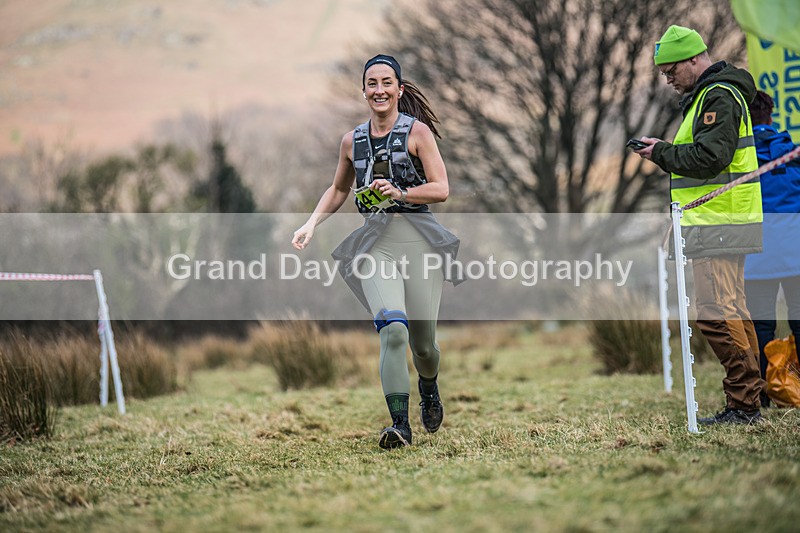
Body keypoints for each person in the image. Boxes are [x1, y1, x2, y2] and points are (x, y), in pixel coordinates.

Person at [292, 54, 460, 449]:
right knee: (394, 330)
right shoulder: (351, 141)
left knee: (423, 346)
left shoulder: (418, 133)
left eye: (387, 83)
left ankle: (429, 387)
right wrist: (310, 223)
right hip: (375, 248)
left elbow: (441, 188)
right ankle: (399, 426)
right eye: (372, 83)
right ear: (363, 91)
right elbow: (338, 189)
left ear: (399, 89)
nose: (379, 90)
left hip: (419, 245)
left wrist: (400, 193)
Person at [634, 25, 765, 425]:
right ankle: (750, 399)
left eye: (671, 70)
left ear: (694, 58)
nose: (668, 79)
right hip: (722, 220)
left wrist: (662, 152)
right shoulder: (714, 95)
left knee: (716, 314)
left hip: (718, 221)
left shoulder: (717, 96)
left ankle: (744, 404)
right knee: (732, 310)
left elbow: (710, 158)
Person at [744, 90, 800, 407]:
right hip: (796, 254)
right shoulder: (793, 153)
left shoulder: (740, 159)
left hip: (758, 255)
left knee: (761, 326)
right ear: (771, 114)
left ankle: (763, 396)